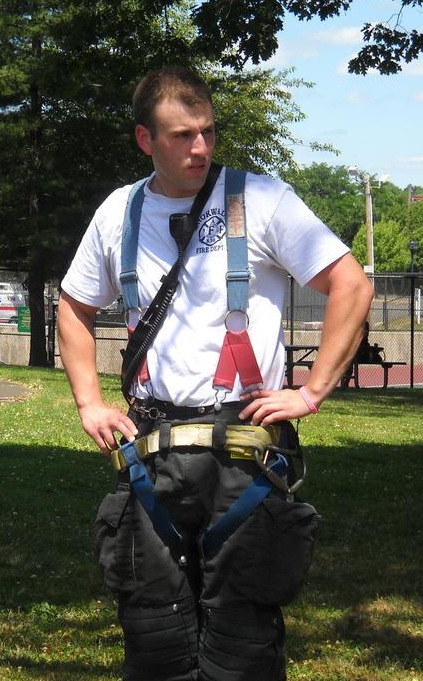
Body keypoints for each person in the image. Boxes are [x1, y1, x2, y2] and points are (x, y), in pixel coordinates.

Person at [58, 66, 373, 680]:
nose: (200, 147)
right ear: (145, 140)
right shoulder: (119, 212)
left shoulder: (261, 200)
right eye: (181, 135)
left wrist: (311, 393)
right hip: (151, 454)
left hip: (245, 453)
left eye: (206, 131)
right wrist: (89, 403)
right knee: (153, 634)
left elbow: (351, 286)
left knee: (242, 640)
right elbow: (73, 305)